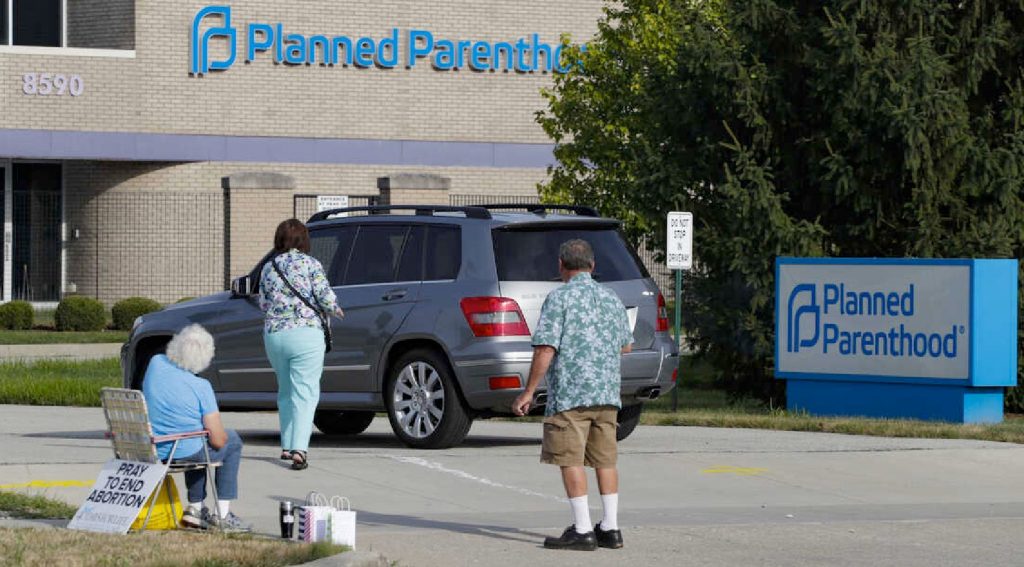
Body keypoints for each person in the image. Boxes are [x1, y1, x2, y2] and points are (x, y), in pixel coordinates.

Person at [512, 239, 633, 551]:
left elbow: (546, 348)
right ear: (592, 266)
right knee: (605, 460)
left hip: (570, 395)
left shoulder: (559, 298)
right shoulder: (611, 298)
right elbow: (625, 345)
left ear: (561, 265)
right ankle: (611, 527)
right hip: (607, 393)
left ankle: (582, 530)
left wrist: (528, 391)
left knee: (570, 458)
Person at [142, 323, 251, 532]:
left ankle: (196, 509)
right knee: (231, 441)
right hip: (181, 451)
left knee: (196, 440)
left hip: (153, 447)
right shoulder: (201, 387)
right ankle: (222, 514)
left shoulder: (155, 363)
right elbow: (218, 440)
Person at [259, 218, 345, 471]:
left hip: (275, 334)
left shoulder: (269, 267)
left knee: (285, 391)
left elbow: (263, 303)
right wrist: (336, 309)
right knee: (305, 392)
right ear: (304, 239)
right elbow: (324, 296)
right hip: (306, 333)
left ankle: (287, 445)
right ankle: (299, 450)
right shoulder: (310, 263)